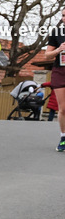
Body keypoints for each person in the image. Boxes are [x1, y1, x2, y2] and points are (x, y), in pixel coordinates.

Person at [46, 8, 65, 151]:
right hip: (60, 71)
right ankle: (63, 137)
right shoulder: (57, 33)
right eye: (63, 15)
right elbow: (47, 55)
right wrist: (58, 50)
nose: (64, 18)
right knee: (63, 108)